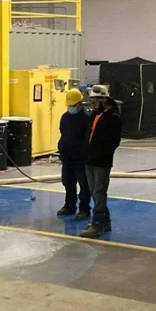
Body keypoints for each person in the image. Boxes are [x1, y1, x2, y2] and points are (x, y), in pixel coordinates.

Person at [80, 85, 121, 239]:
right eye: (91, 101)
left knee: (99, 192)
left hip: (101, 163)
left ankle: (98, 224)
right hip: (89, 160)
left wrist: (99, 154)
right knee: (94, 192)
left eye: (95, 101)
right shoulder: (94, 116)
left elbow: (113, 142)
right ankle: (103, 221)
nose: (92, 104)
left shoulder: (113, 118)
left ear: (103, 100)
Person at [57, 88, 91, 221]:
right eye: (69, 106)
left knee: (84, 186)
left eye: (73, 105)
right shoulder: (65, 117)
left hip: (81, 159)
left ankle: (84, 209)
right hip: (67, 158)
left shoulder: (87, 118)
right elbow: (63, 134)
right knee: (68, 183)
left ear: (80, 104)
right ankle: (69, 206)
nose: (70, 108)